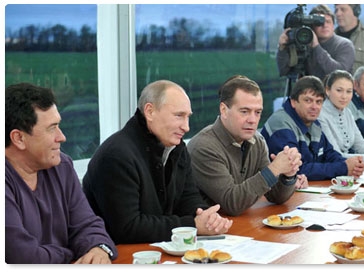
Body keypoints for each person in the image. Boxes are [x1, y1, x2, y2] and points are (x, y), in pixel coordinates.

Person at [82, 80, 233, 244]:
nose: (186, 127)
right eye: (178, 116)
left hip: (159, 247)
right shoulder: (116, 155)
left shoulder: (177, 148)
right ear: (149, 111)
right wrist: (193, 225)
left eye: (187, 117)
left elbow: (188, 198)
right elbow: (127, 228)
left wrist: (206, 217)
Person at [5, 83, 117, 264]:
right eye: (52, 128)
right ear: (19, 138)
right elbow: (21, 257)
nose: (62, 137)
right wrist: (70, 254)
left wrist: (98, 249)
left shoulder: (61, 166)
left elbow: (88, 225)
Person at [187, 76, 305, 216]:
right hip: (208, 232)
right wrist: (274, 169)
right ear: (224, 110)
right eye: (244, 111)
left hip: (239, 228)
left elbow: (276, 196)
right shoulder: (203, 147)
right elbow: (233, 203)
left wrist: (288, 175)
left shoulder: (257, 140)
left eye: (258, 112)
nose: (252, 120)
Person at [260, 75, 364, 181]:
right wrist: (343, 168)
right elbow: (295, 170)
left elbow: (329, 154)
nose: (314, 107)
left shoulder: (314, 123)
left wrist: (352, 165)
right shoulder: (281, 123)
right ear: (293, 102)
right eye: (308, 100)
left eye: (318, 102)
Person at [318, 70, 364, 166]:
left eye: (349, 91)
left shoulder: (347, 112)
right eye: (339, 90)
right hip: (331, 169)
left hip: (349, 168)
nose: (344, 96)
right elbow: (337, 156)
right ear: (327, 90)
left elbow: (361, 146)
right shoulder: (320, 114)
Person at [277, 4, 355, 81]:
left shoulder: (344, 45)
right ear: (311, 26)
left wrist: (316, 46)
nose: (324, 25)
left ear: (333, 25)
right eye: (319, 23)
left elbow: (339, 75)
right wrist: (282, 48)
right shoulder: (303, 44)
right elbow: (283, 71)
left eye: (328, 22)